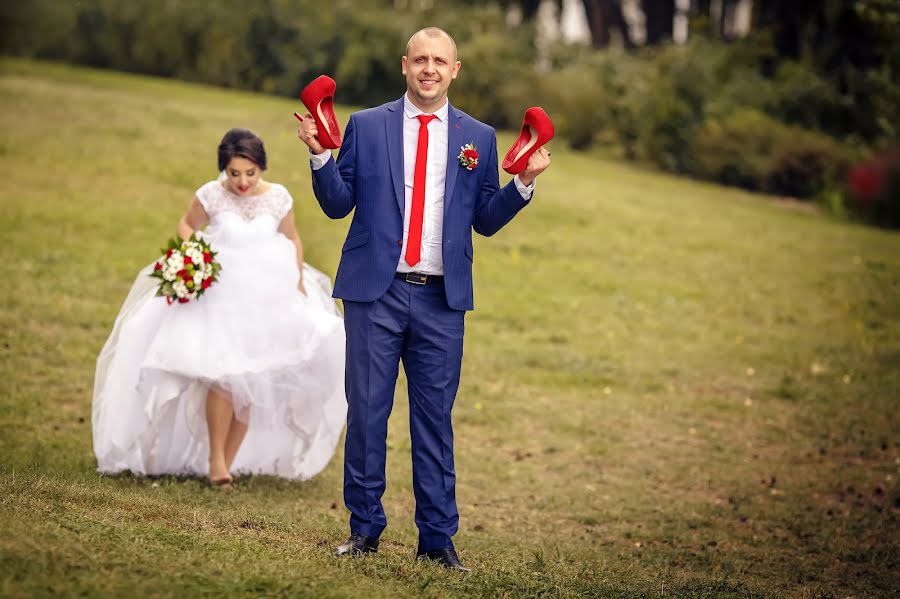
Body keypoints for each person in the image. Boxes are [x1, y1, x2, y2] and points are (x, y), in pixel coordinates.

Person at [296, 27, 550, 570]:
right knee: (367, 413)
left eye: (440, 61)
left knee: (433, 420)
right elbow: (338, 205)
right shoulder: (366, 126)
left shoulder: (477, 138)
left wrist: (522, 185)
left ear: (455, 70)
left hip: (441, 300)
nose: (429, 68)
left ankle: (437, 539)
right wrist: (320, 160)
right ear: (404, 66)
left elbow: (484, 220)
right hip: (374, 293)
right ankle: (364, 529)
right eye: (420, 60)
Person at [92, 128, 346, 487]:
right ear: (224, 169)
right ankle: (216, 461)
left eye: (250, 173)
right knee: (224, 379)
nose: (242, 182)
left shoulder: (278, 198)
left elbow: (292, 238)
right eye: (234, 173)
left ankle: (229, 457)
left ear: (261, 168)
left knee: (253, 381)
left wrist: (298, 281)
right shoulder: (211, 194)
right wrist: (194, 251)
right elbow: (186, 224)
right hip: (221, 296)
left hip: (266, 299)